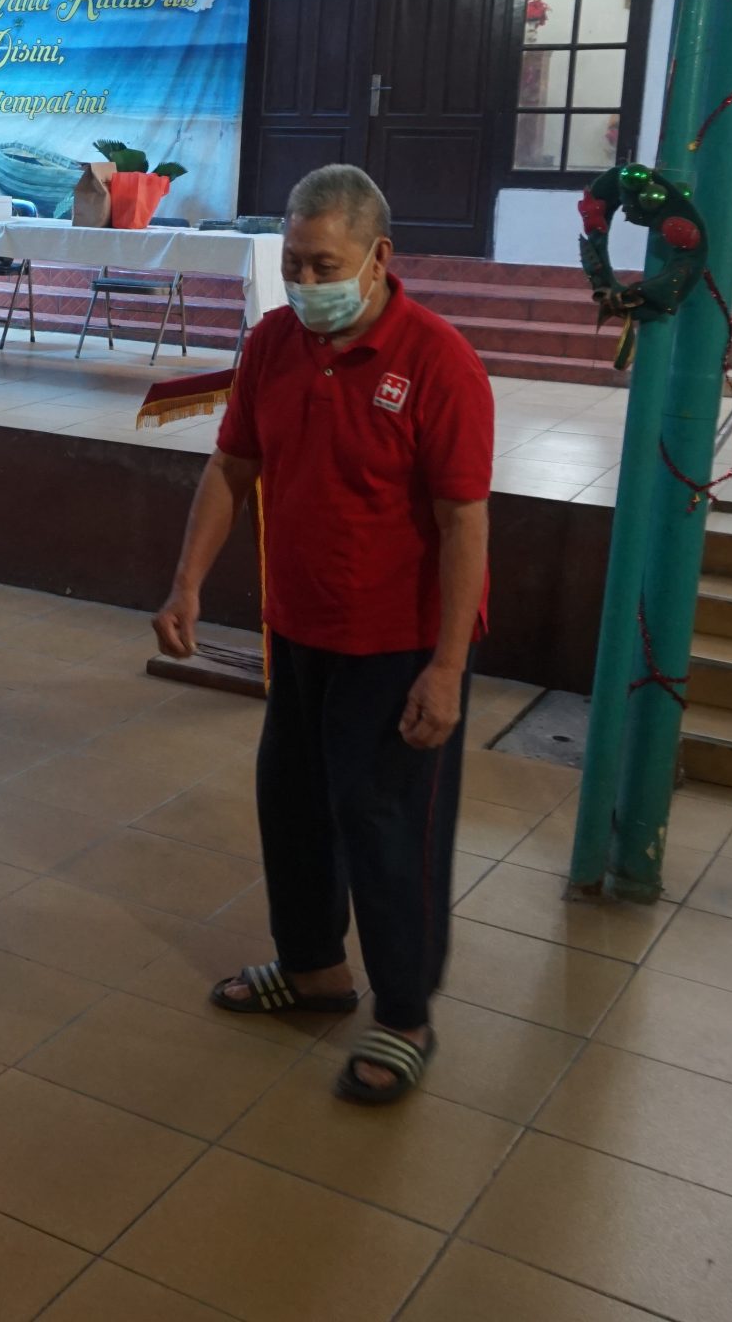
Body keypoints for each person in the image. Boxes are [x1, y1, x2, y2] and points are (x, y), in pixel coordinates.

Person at [153, 165, 492, 1106]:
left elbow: (465, 522)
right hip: (300, 626)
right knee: (292, 805)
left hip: (398, 644)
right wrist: (188, 583)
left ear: (379, 258)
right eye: (294, 263)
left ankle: (405, 1015)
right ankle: (312, 970)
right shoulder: (274, 342)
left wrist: (448, 668)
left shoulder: (439, 361)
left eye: (324, 265)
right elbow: (233, 466)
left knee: (387, 828)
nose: (305, 283)